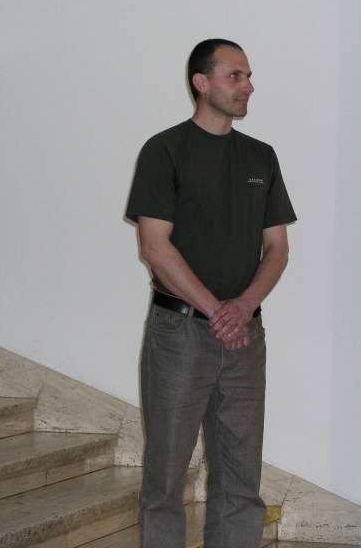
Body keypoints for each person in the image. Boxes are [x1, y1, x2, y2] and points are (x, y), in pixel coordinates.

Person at [125, 38, 297, 548]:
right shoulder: (165, 150)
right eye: (235, 76)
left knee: (241, 480)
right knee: (166, 479)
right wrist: (216, 310)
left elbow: (277, 249)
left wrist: (242, 308)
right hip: (179, 335)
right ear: (202, 83)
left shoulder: (261, 156)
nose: (248, 86)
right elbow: (154, 246)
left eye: (248, 76)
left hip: (244, 339)